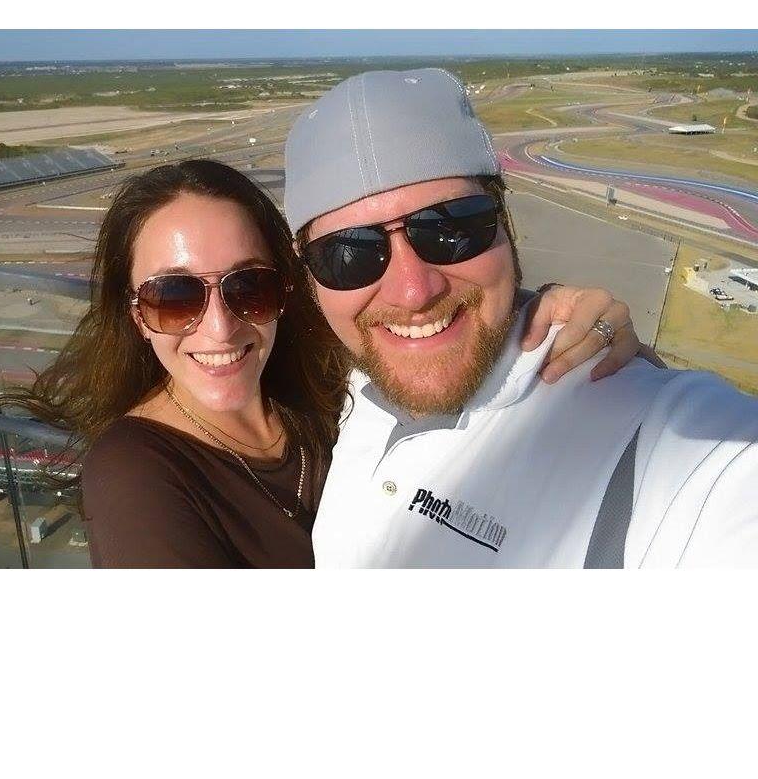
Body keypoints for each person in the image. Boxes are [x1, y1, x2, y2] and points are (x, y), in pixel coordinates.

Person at [16, 157, 650, 568]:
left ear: (288, 293)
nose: (219, 325)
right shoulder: (136, 476)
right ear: (133, 312)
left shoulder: (329, 395)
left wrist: (549, 323)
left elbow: (425, 328)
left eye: (249, 287)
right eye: (174, 297)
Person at [283, 68, 758, 568]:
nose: (413, 292)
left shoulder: (670, 443)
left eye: (451, 228)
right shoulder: (348, 390)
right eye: (348, 254)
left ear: (504, 224)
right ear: (311, 279)